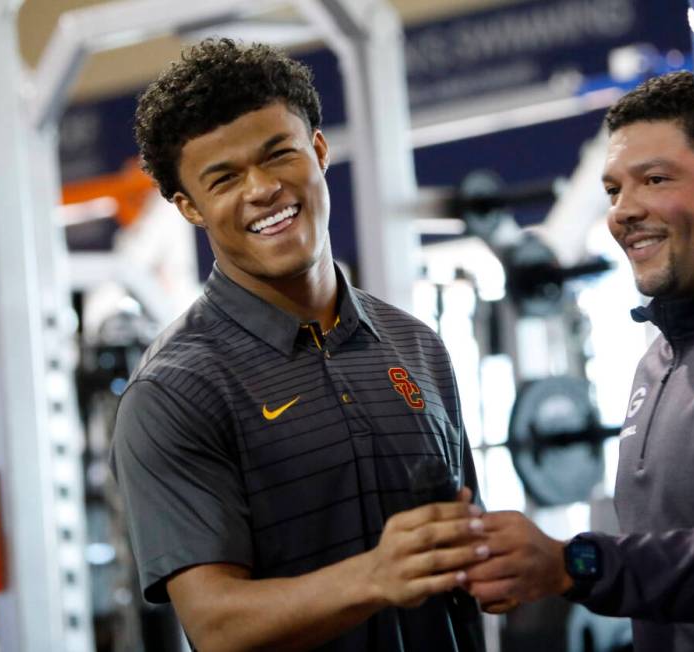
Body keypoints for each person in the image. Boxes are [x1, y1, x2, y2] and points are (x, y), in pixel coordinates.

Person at [110, 39, 487, 652]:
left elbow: (462, 551)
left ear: (316, 150)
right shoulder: (172, 394)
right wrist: (374, 576)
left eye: (278, 154)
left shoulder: (417, 347)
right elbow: (216, 626)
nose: (261, 189)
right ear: (189, 208)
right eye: (224, 178)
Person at [464, 71, 694, 651]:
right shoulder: (655, 359)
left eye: (654, 179)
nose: (624, 210)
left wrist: (575, 563)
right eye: (614, 190)